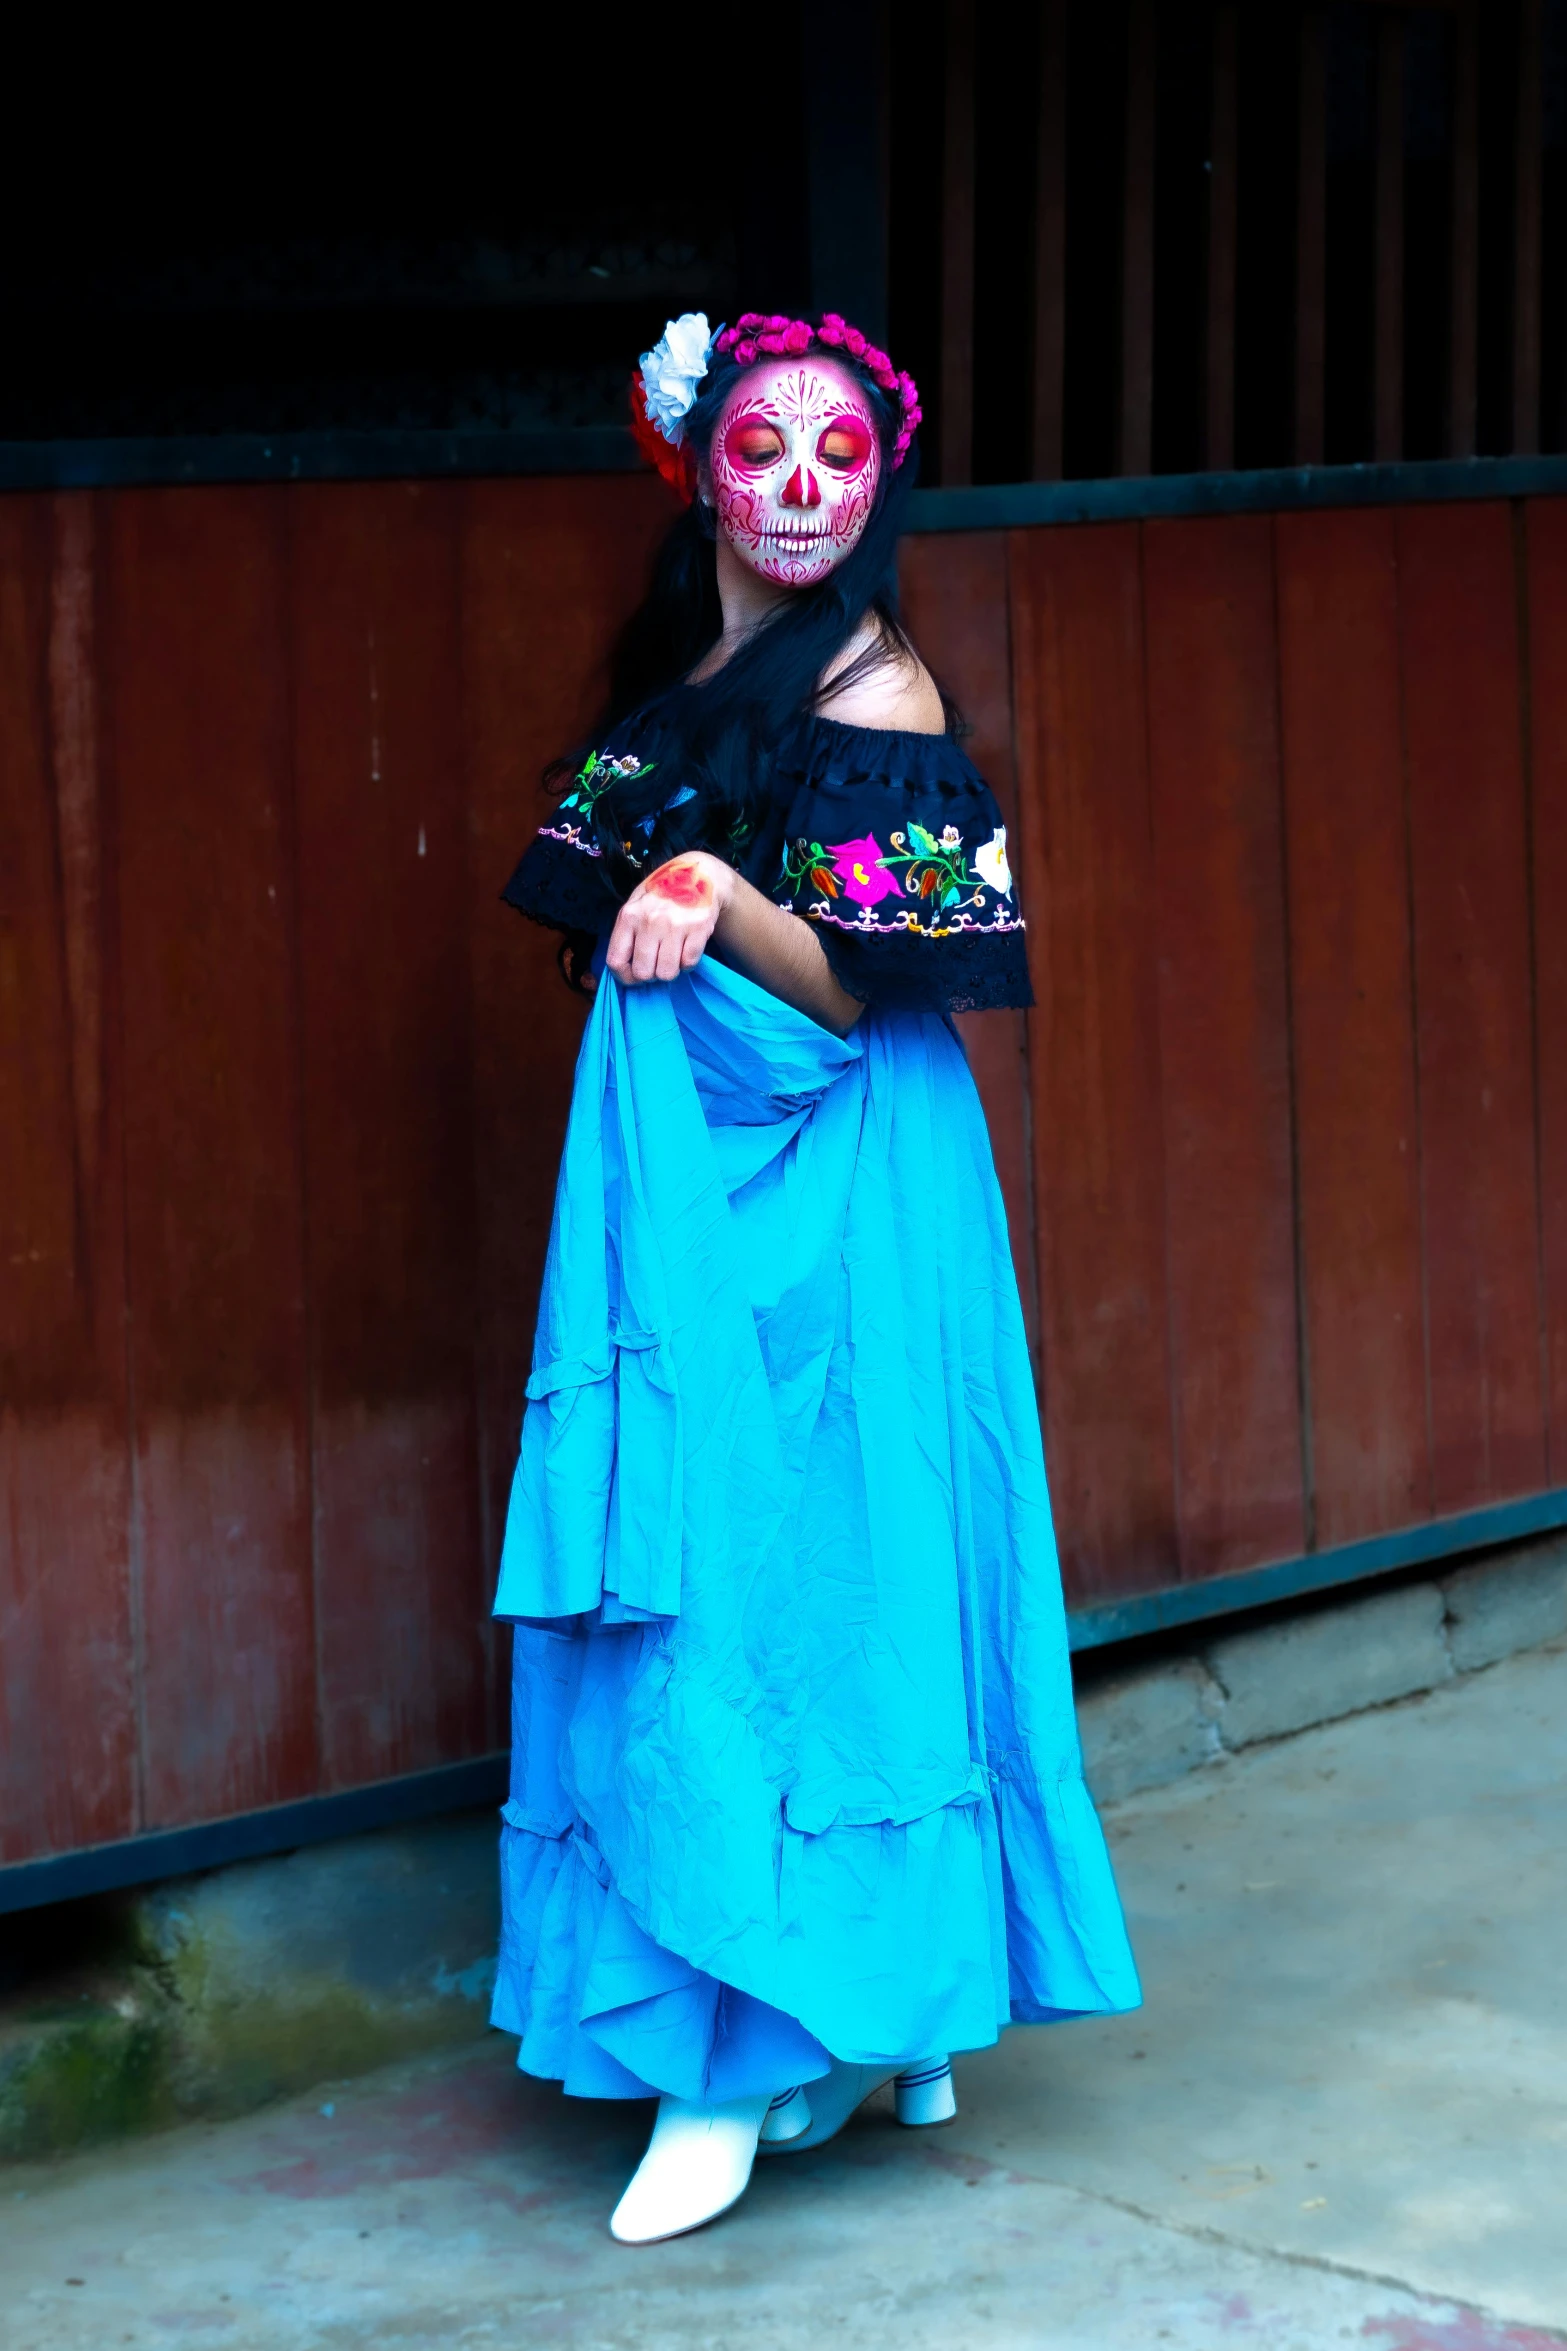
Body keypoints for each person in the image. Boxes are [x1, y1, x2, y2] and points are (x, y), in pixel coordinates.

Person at [491, 310, 1141, 2245]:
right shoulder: (681, 672)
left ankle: (760, 2043)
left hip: (847, 1172)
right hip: (700, 1169)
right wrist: (660, 891)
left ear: (879, 480)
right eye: (758, 447)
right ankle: (808, 2014)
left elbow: (861, 985)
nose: (795, 486)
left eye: (834, 453)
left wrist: (707, 894)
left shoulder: (880, 692)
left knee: (822, 1572)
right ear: (692, 468)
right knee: (722, 1560)